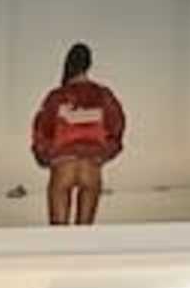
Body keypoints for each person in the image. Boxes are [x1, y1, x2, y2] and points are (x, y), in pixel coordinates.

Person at [29, 43, 127, 227]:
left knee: (59, 235)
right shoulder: (103, 95)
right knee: (85, 237)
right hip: (91, 167)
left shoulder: (56, 97)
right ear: (88, 64)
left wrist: (45, 156)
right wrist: (102, 154)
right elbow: (117, 126)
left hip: (62, 166)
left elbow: (41, 129)